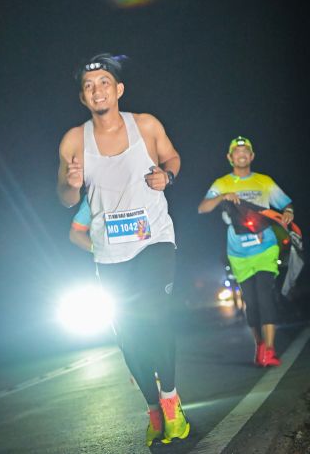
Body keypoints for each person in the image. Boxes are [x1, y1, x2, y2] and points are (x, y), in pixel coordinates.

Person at [57, 53, 190, 447]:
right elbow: (65, 199)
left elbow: (172, 158)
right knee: (129, 336)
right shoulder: (73, 140)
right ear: (82, 97)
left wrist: (167, 176)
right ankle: (153, 409)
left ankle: (171, 403)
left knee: (155, 315)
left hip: (154, 240)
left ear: (118, 90)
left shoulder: (145, 125)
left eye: (103, 83)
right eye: (88, 86)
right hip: (110, 253)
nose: (97, 90)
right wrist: (71, 184)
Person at [198, 136, 295, 367]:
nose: (241, 154)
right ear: (230, 157)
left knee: (265, 295)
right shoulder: (222, 183)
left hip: (265, 246)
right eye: (237, 151)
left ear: (252, 156)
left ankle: (269, 350)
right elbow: (203, 208)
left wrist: (288, 212)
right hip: (238, 251)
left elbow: (286, 203)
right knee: (251, 302)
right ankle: (260, 345)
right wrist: (222, 196)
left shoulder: (264, 181)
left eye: (245, 151)